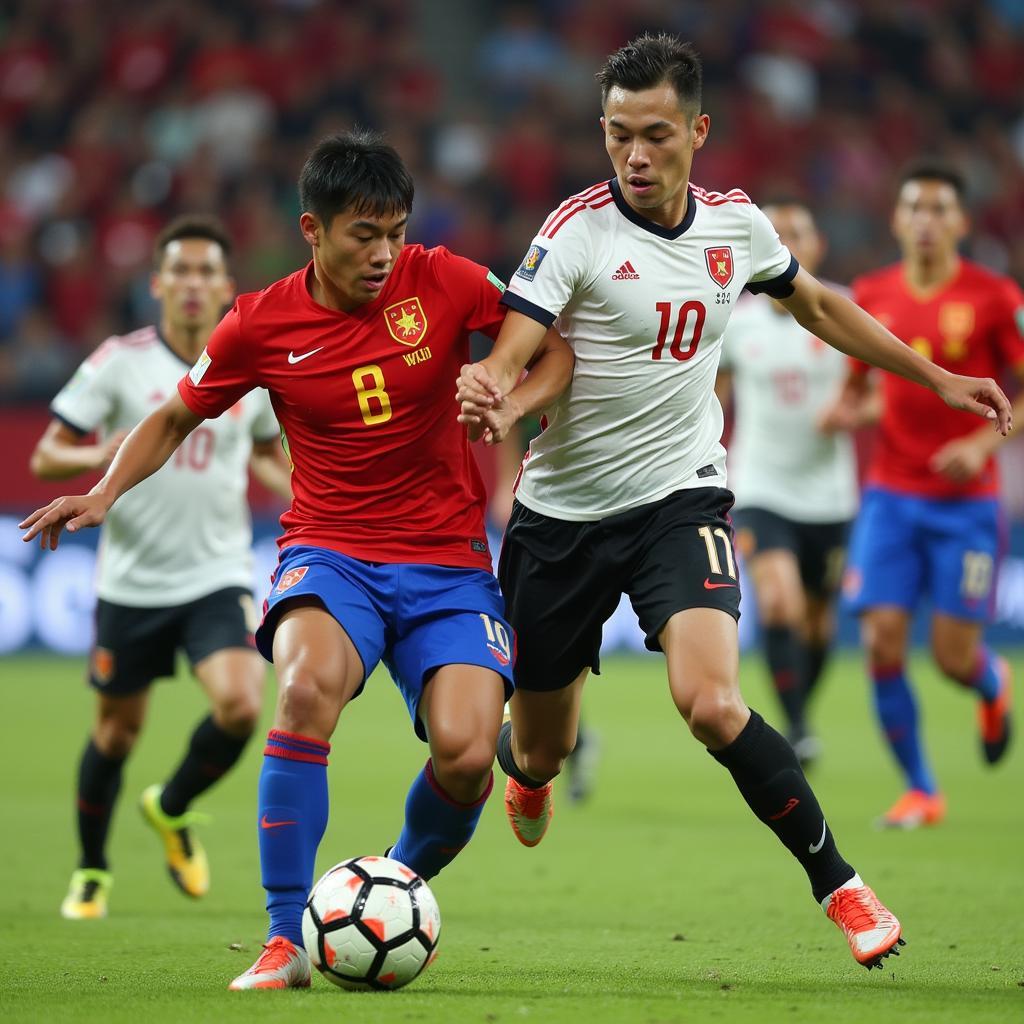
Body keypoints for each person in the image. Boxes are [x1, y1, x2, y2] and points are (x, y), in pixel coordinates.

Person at [456, 34, 1011, 970]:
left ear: (699, 132)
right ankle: (530, 768)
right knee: (541, 747)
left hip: (683, 497)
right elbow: (519, 340)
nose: (636, 156)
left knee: (712, 703)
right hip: (561, 519)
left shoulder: (737, 226)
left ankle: (842, 885)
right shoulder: (574, 230)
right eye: (619, 135)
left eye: (657, 136)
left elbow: (824, 307)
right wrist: (494, 386)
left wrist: (938, 378)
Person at [21, 131, 572, 990]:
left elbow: (557, 351)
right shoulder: (258, 321)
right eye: (364, 234)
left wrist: (511, 402)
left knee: (467, 755)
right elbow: (174, 416)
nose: (385, 253)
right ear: (312, 229)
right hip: (331, 552)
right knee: (303, 689)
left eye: (395, 230)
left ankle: (389, 885)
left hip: (449, 562)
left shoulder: (450, 280)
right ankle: (284, 939)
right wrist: (103, 493)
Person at [30, 215, 292, 920]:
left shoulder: (247, 360)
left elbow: (268, 445)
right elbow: (45, 454)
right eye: (180, 270)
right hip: (131, 582)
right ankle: (91, 868)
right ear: (157, 283)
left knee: (241, 705)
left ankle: (172, 808)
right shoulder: (120, 361)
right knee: (116, 734)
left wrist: (305, 491)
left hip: (216, 575)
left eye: (207, 271)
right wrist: (97, 458)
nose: (193, 283)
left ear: (226, 286)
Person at [821, 161, 1021, 829]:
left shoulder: (995, 296)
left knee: (952, 658)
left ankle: (991, 683)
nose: (926, 220)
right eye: (915, 208)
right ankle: (921, 789)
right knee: (880, 639)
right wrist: (849, 409)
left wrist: (982, 444)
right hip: (890, 496)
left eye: (939, 209)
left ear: (961, 222)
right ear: (896, 220)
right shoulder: (873, 293)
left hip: (967, 506)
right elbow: (861, 377)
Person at [715, 200, 859, 767]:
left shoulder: (845, 310)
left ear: (817, 244)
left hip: (830, 496)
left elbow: (876, 390)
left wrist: (855, 412)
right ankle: (796, 727)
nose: (786, 241)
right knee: (779, 605)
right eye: (775, 234)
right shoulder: (736, 320)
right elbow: (714, 396)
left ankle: (802, 710)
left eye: (796, 231)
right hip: (761, 488)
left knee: (819, 624)